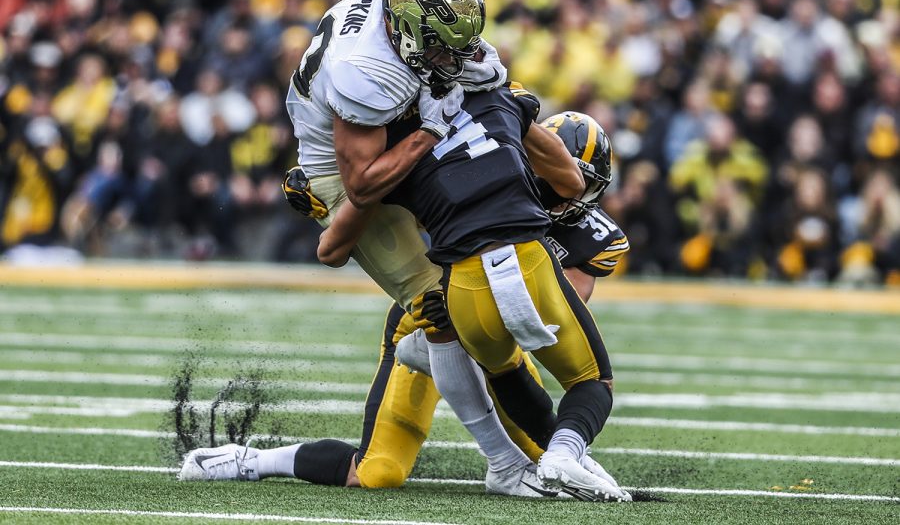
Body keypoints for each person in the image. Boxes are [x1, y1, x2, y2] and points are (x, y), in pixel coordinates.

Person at [179, 105, 631, 503]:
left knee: (548, 447)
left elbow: (546, 320)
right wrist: (333, 204)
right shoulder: (486, 177)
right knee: (377, 473)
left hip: (496, 333)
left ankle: (513, 463)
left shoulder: (595, 237)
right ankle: (249, 460)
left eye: (572, 184)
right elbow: (401, 222)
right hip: (426, 318)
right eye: (546, 174)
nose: (556, 190)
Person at [267, 0, 542, 495]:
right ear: (410, 34)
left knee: (485, 283)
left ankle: (546, 448)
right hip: (343, 165)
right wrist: (428, 133)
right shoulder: (365, 72)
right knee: (442, 305)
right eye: (442, 46)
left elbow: (462, 64)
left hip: (401, 115)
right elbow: (364, 184)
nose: (454, 55)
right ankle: (508, 461)